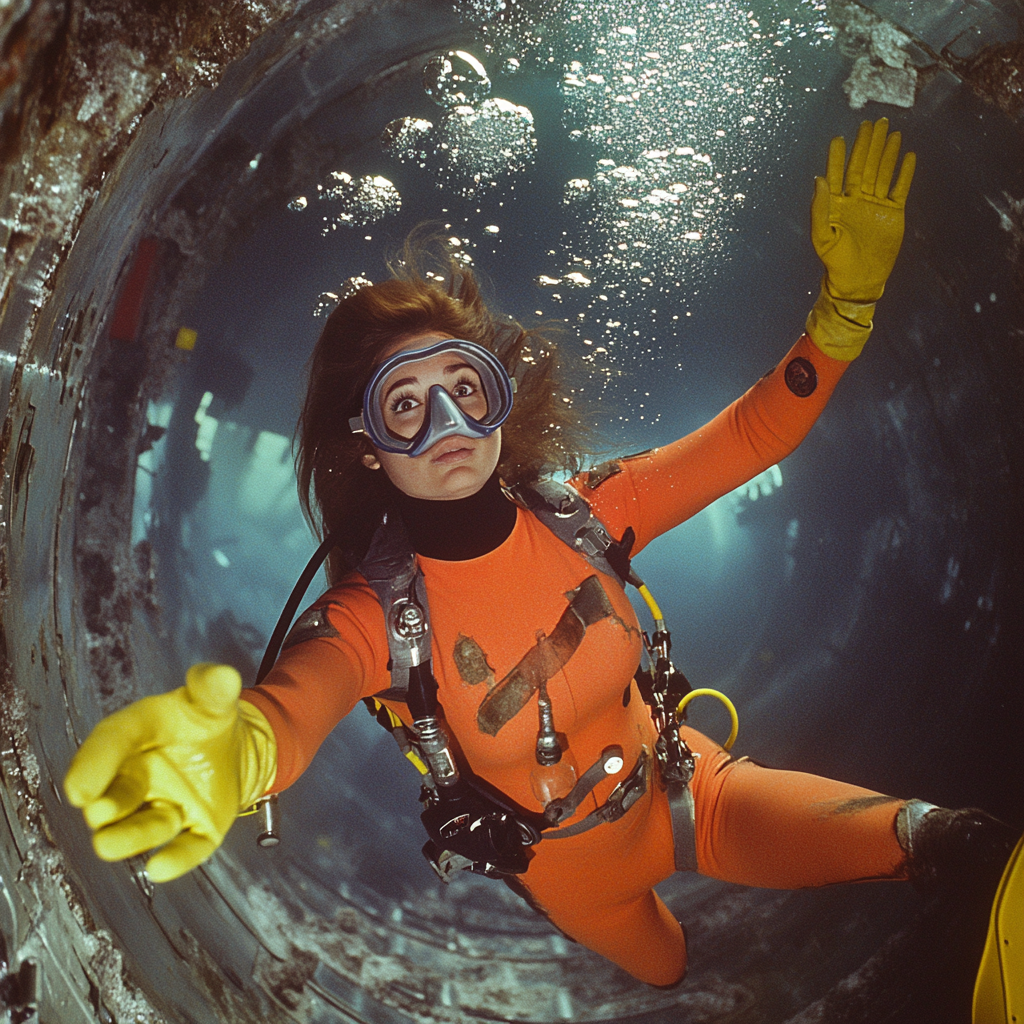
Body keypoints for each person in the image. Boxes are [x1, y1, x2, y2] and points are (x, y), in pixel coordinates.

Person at [64, 118, 1017, 987]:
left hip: (696, 786)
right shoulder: (376, 616)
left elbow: (752, 436)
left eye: (463, 387)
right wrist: (226, 758)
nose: (446, 422)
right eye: (406, 404)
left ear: (498, 398)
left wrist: (843, 310)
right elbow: (291, 708)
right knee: (668, 968)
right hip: (566, 869)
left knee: (938, 838)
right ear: (366, 445)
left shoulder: (586, 514)